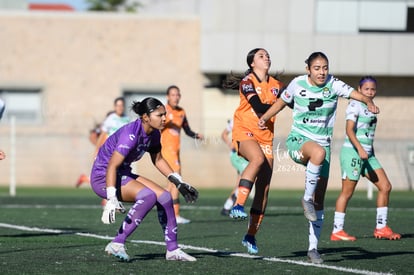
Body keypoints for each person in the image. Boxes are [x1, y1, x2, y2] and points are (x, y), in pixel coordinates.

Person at [258, 52, 379, 264]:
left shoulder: (333, 84)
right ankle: (305, 198)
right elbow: (280, 103)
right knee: (318, 154)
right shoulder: (297, 84)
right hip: (298, 140)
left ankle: (313, 249)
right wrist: (265, 117)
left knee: (320, 200)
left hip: (323, 145)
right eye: (317, 68)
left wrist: (368, 101)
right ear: (308, 69)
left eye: (325, 68)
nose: (322, 72)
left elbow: (355, 94)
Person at [90, 97, 199, 262]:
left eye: (165, 114)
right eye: (159, 115)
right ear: (146, 117)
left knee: (165, 197)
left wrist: (178, 181)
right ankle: (117, 243)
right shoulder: (130, 134)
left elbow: (158, 159)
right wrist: (111, 198)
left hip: (123, 174)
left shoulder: (154, 133)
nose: (164, 118)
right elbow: (112, 166)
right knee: (147, 196)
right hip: (103, 178)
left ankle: (172, 250)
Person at [222, 48, 284, 254]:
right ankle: (238, 205)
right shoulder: (247, 81)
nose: (266, 57)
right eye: (261, 55)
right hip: (245, 131)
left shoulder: (277, 85)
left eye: (268, 55)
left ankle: (250, 235)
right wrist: (283, 102)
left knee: (264, 189)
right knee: (256, 159)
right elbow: (257, 106)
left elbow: (293, 101)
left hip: (266, 137)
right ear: (252, 63)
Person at [331, 76, 401, 242]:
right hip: (353, 153)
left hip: (369, 156)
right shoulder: (355, 104)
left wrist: (370, 152)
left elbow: (368, 135)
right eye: (366, 89)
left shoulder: (372, 107)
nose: (370, 92)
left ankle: (381, 227)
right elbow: (349, 130)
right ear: (360, 89)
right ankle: (337, 230)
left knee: (385, 186)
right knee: (347, 192)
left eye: (373, 89)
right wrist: (361, 149)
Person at [161, 85, 203, 224]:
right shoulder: (163, 111)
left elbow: (187, 130)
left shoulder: (181, 112)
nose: (176, 97)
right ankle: (175, 215)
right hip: (167, 151)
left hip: (176, 151)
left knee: (171, 185)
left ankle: (161, 207)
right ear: (168, 96)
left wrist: (196, 135)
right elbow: (156, 127)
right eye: (173, 95)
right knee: (176, 181)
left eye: (178, 94)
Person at [77, 97, 130, 188]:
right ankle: (106, 197)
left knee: (118, 174)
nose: (120, 107)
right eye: (118, 105)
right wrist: (97, 149)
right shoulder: (111, 119)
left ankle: (86, 179)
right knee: (109, 173)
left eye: (121, 105)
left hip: (123, 151)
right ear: (114, 107)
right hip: (111, 151)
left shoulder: (127, 119)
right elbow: (102, 135)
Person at [220, 118, 249, 216]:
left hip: (245, 156)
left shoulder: (252, 116)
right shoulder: (237, 118)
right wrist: (230, 144)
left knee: (240, 183)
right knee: (248, 178)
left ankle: (227, 207)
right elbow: (224, 134)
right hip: (236, 156)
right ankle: (236, 207)